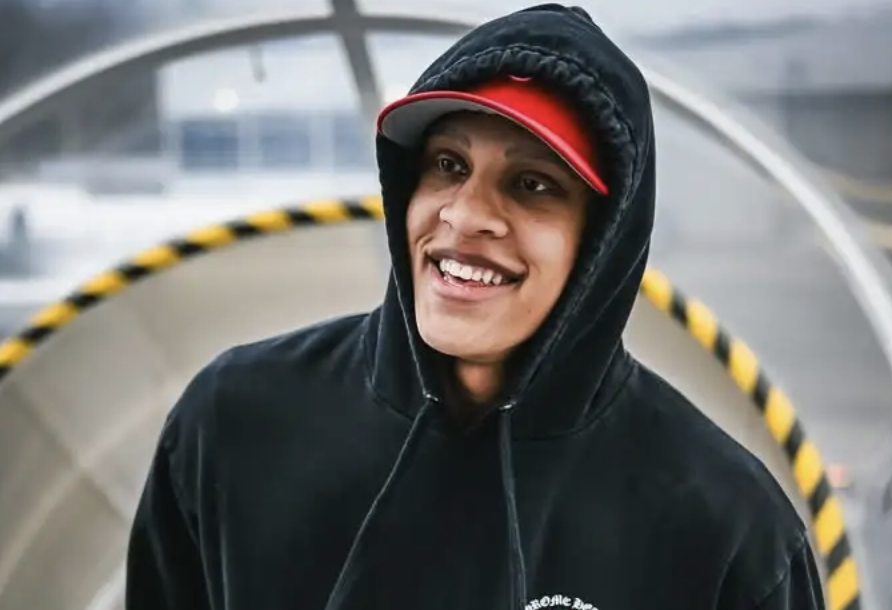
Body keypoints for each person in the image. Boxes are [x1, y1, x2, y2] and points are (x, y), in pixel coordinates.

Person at [125, 4, 827, 610]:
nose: (465, 215)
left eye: (533, 183)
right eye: (448, 165)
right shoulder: (232, 425)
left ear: (603, 241)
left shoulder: (729, 531)